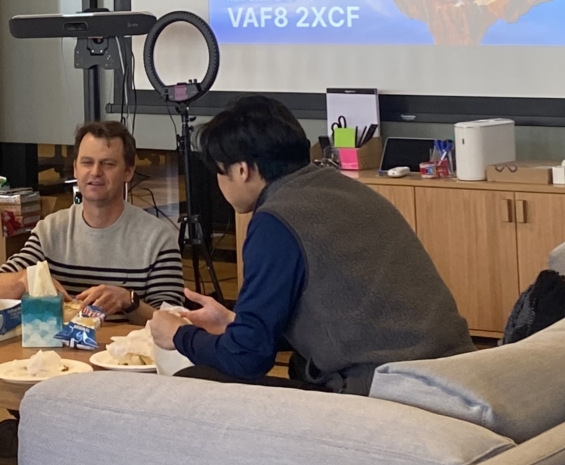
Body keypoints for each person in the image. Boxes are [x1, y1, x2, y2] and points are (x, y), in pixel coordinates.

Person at [149, 94, 470, 392]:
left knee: (193, 381)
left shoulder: (276, 221)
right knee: (300, 365)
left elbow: (246, 359)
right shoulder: (349, 190)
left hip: (392, 390)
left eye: (219, 172)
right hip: (458, 374)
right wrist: (233, 323)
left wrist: (179, 336)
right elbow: (342, 312)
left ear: (242, 170)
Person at [0, 121, 185, 320]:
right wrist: (25, 279)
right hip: (59, 348)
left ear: (128, 171)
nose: (96, 172)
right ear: (75, 169)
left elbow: (173, 322)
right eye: (87, 162)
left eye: (108, 164)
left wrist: (129, 301)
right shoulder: (51, 230)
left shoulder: (158, 239)